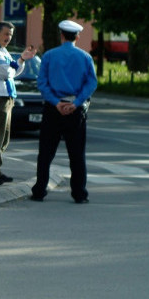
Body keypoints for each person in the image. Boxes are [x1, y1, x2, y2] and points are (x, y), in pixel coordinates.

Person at [30, 19, 98, 204]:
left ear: (61, 35)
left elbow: (42, 82)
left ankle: (39, 190)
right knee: (76, 154)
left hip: (53, 109)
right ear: (77, 36)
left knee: (45, 153)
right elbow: (91, 83)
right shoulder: (85, 57)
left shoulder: (50, 56)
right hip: (74, 110)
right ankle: (79, 193)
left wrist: (54, 102)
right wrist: (76, 103)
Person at [0, 21, 36, 185]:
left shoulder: (2, 50)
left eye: (10, 35)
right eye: (5, 34)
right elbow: (5, 73)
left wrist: (21, 59)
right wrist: (14, 66)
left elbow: (15, 69)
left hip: (6, 97)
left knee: (3, 138)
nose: (8, 38)